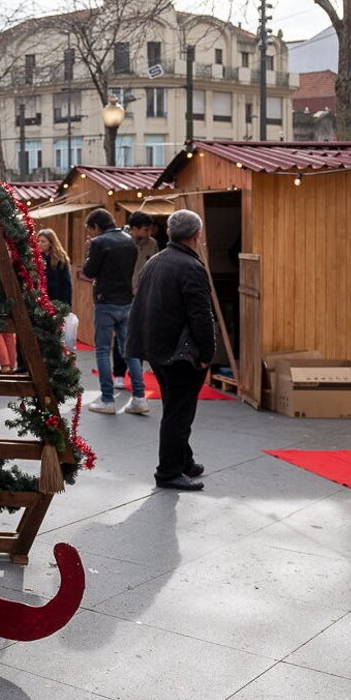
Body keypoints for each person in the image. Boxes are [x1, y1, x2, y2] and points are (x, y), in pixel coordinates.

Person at [126, 209, 215, 491]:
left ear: (168, 233)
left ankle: (184, 461)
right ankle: (168, 472)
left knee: (175, 408)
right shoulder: (191, 267)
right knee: (179, 412)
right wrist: (207, 354)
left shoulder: (156, 261)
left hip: (158, 348)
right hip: (181, 354)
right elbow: (201, 316)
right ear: (197, 235)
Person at [81, 208, 147, 415]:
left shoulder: (99, 243)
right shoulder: (129, 241)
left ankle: (107, 399)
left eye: (91, 230)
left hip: (105, 301)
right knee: (130, 350)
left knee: (102, 350)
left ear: (96, 226)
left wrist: (88, 252)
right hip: (127, 300)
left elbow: (89, 272)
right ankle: (139, 397)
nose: (91, 234)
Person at [110, 211, 161, 386]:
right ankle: (118, 373)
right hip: (122, 294)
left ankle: (136, 373)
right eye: (145, 229)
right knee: (121, 334)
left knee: (139, 335)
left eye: (150, 229)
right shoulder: (121, 242)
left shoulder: (152, 244)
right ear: (134, 229)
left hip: (143, 295)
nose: (148, 232)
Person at [35, 228, 72, 306]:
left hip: (56, 300)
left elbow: (66, 283)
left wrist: (66, 304)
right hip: (39, 299)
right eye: (38, 241)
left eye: (43, 241)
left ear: (51, 243)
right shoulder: (36, 258)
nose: (39, 244)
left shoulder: (60, 259)